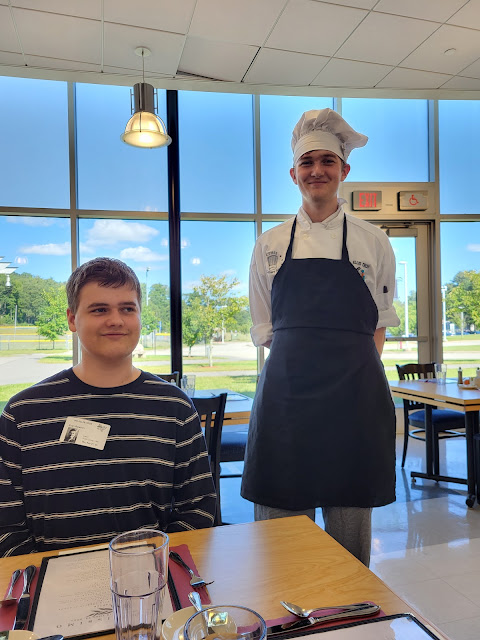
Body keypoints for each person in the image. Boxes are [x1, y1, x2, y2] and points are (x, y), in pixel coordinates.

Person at [241, 109, 400, 566]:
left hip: (354, 406)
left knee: (349, 552)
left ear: (344, 170)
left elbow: (378, 325)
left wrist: (351, 375)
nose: (317, 170)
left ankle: (350, 610)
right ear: (293, 174)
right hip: (285, 406)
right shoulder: (270, 244)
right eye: (307, 162)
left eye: (327, 161)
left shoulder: (374, 241)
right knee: (281, 549)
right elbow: (267, 329)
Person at [0, 258, 216, 557]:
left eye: (127, 309)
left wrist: (149, 566)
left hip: (147, 575)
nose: (116, 320)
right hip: (49, 578)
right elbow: (6, 525)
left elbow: (198, 510)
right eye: (99, 309)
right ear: (72, 319)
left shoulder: (174, 408)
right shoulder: (23, 413)